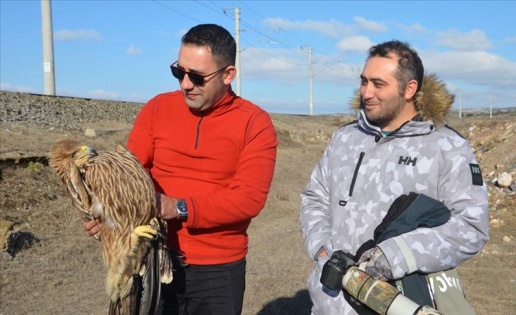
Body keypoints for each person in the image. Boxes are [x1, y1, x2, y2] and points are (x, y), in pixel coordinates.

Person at [84, 23, 278, 314]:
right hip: (153, 259)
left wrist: (180, 207)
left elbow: (248, 198)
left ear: (228, 75)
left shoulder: (255, 123)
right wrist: (109, 213)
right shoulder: (157, 108)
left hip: (219, 270)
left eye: (197, 77)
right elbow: (129, 175)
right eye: (179, 72)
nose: (185, 84)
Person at [299, 40, 489, 315]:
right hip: (330, 303)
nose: (366, 92)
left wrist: (395, 256)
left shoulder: (447, 147)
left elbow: (471, 227)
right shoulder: (345, 138)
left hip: (397, 304)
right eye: (363, 81)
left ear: (409, 88)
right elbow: (314, 198)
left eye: (378, 84)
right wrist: (322, 250)